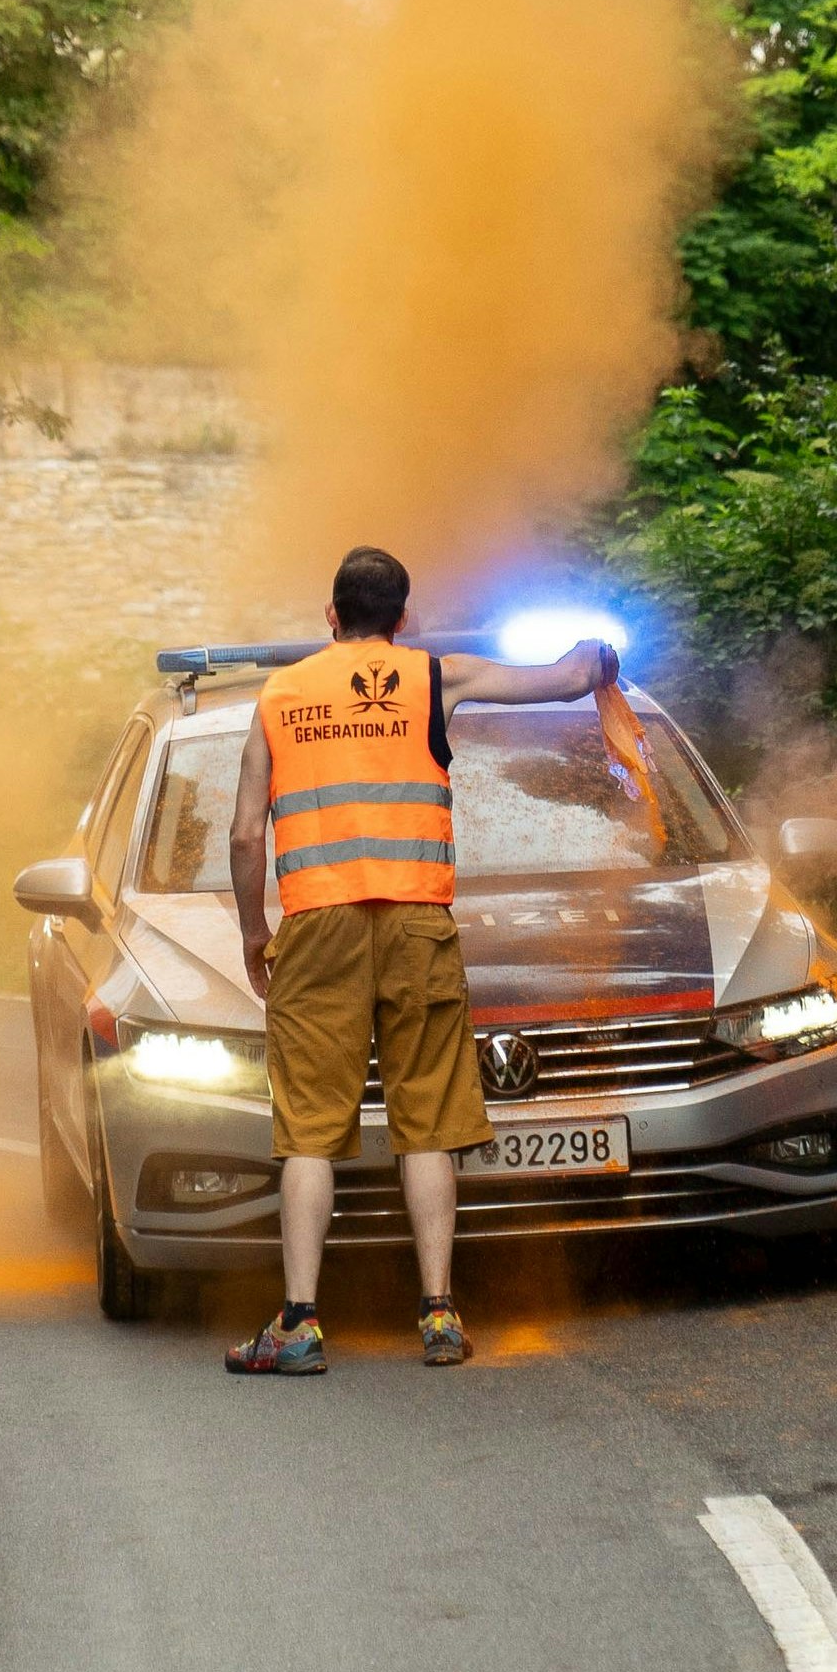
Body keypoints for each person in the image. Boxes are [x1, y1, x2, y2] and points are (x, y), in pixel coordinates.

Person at [221, 546, 617, 1375]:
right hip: (416, 922)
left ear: (330, 615)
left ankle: (299, 1325)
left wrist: (257, 935)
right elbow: (561, 677)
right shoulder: (438, 677)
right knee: (427, 1121)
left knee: (308, 1132)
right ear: (404, 619)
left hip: (318, 924)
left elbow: (243, 832)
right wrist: (602, 655)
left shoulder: (280, 694)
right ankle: (438, 1315)